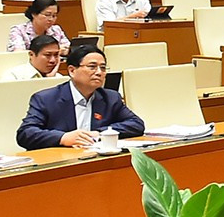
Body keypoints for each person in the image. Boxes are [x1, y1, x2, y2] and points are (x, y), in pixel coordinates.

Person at [18, 43, 146, 150]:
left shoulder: (110, 98)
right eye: (92, 67)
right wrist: (63, 138)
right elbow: (25, 133)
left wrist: (99, 133)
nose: (99, 72)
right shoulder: (46, 99)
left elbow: (136, 124)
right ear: (72, 71)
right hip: (61, 161)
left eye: (103, 68)